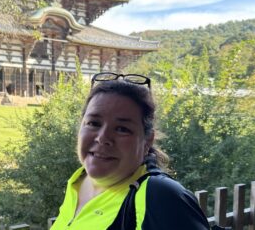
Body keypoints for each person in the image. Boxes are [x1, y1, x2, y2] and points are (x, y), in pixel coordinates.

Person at [51, 72, 211, 230]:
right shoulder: (78, 180)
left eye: (122, 129)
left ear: (147, 140)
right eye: (93, 123)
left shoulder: (160, 197)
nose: (102, 138)